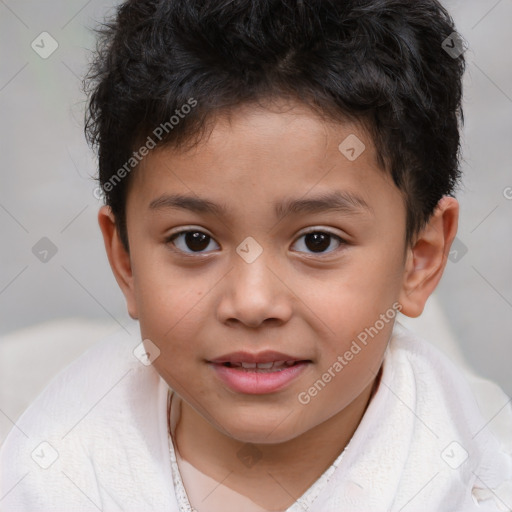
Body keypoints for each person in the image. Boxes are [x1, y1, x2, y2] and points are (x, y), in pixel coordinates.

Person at [1, 0, 511, 510]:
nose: (252, 302)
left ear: (419, 258)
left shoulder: (481, 483)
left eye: (318, 241)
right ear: (126, 260)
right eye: (194, 240)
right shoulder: (52, 475)